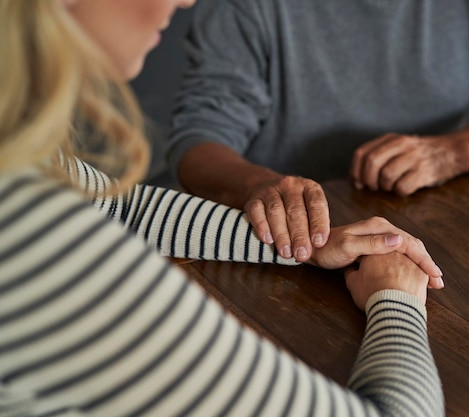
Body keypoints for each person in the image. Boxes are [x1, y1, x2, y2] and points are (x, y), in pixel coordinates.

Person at [0, 1, 445, 416]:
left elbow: (119, 210)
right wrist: (396, 298)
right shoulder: (30, 237)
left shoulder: (19, 159)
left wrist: (304, 243)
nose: (187, 1)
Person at [169, 0, 469, 264]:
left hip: (424, 233)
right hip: (286, 245)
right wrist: (261, 186)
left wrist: (451, 153)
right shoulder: (243, 8)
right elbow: (197, 140)